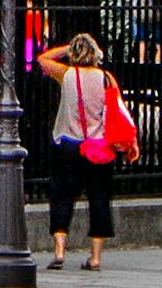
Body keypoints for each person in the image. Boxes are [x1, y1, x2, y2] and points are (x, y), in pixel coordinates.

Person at [40, 31, 125, 269]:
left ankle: (59, 252)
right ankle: (95, 257)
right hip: (98, 146)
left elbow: (42, 59)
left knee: (62, 196)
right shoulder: (106, 78)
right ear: (96, 53)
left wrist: (67, 49)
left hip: (68, 143)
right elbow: (118, 109)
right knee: (99, 198)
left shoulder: (65, 74)